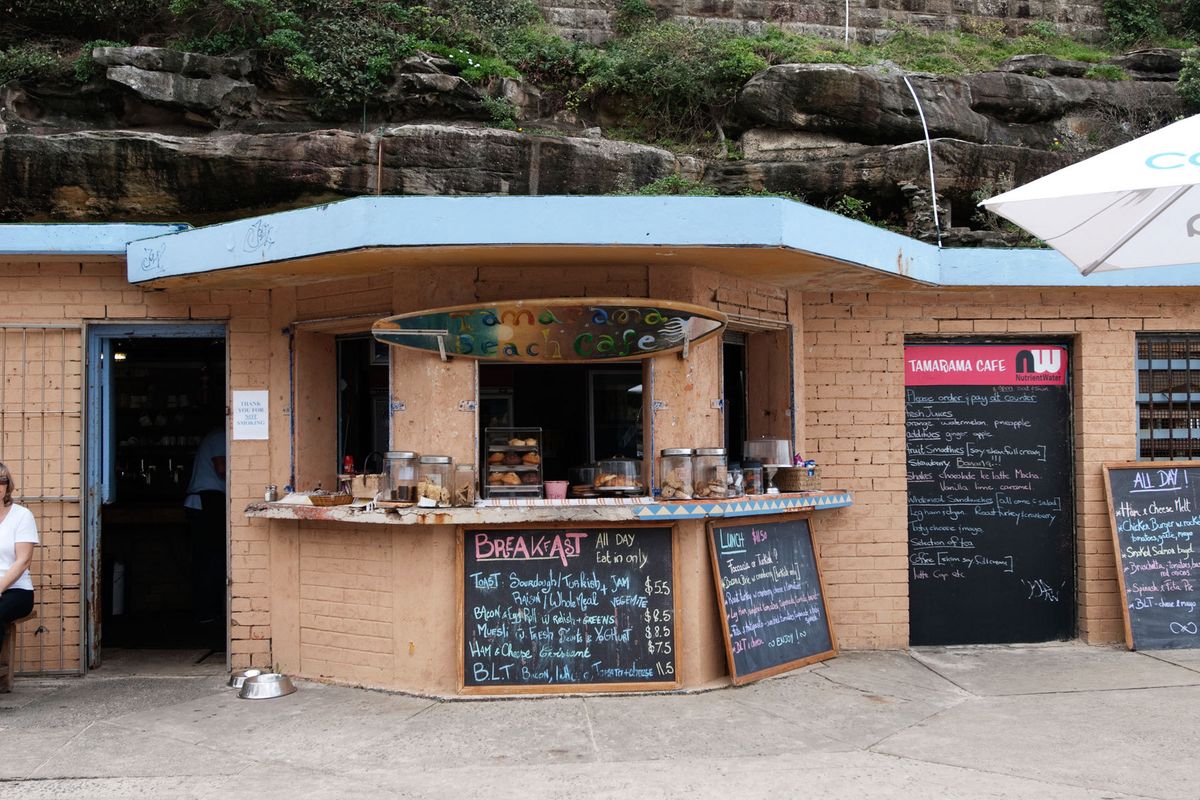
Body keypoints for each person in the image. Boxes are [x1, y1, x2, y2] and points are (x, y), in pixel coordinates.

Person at [184, 429, 226, 635]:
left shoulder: (215, 437)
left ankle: (208, 611)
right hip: (206, 501)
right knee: (212, 558)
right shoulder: (219, 437)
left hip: (209, 501)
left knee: (210, 558)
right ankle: (207, 612)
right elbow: (221, 468)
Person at [0, 462, 37, 653]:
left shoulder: (22, 516)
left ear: (8, 485)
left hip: (16, 590)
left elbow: (23, 561)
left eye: (1, 480)